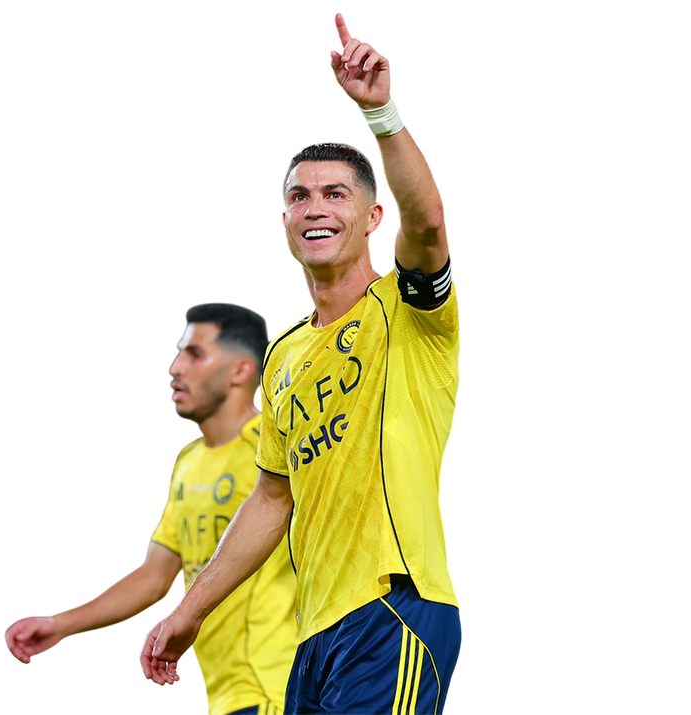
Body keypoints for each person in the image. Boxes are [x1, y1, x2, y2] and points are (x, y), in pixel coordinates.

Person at [142, 14, 461, 714]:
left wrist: (379, 110)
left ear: (376, 220)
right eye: (298, 196)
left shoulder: (408, 311)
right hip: (313, 638)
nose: (314, 207)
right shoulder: (283, 356)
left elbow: (431, 226)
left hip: (395, 608)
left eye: (335, 193)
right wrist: (189, 610)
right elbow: (271, 498)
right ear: (285, 220)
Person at [5, 303, 299, 715]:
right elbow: (154, 578)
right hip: (215, 694)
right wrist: (60, 624)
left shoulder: (275, 444)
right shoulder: (191, 464)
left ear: (240, 370)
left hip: (275, 687)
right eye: (178, 354)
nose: (176, 368)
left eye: (195, 354)